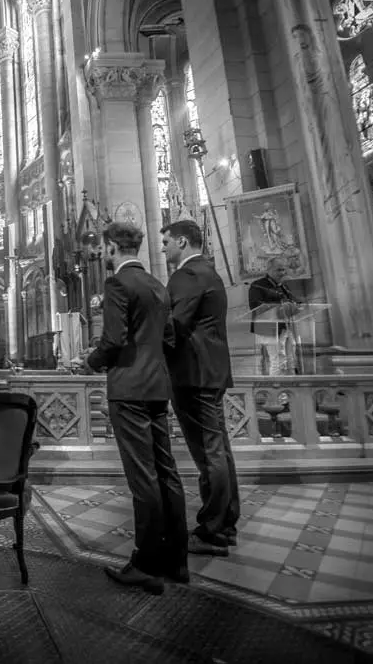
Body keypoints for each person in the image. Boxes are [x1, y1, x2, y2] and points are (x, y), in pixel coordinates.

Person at [87, 222, 187, 595]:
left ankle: (145, 564)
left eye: (103, 247)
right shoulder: (157, 284)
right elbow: (170, 337)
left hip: (129, 388)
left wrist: (91, 362)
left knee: (142, 477)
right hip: (157, 386)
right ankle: (176, 561)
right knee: (166, 472)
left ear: (112, 247)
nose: (102, 253)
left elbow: (113, 340)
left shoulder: (118, 284)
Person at [160, 219, 239, 556]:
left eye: (166, 242)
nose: (163, 247)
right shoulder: (209, 271)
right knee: (219, 450)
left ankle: (213, 530)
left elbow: (174, 324)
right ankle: (227, 522)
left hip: (194, 374)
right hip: (211, 371)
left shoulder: (187, 275)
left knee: (210, 455)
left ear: (181, 241)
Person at [248, 256, 300, 375]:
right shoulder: (258, 285)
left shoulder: (283, 287)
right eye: (279, 270)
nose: (282, 273)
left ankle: (292, 391)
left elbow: (294, 301)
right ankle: (280, 394)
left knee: (291, 362)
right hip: (268, 328)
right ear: (269, 270)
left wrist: (297, 305)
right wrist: (279, 306)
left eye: (283, 269)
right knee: (278, 361)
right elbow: (255, 306)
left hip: (285, 327)